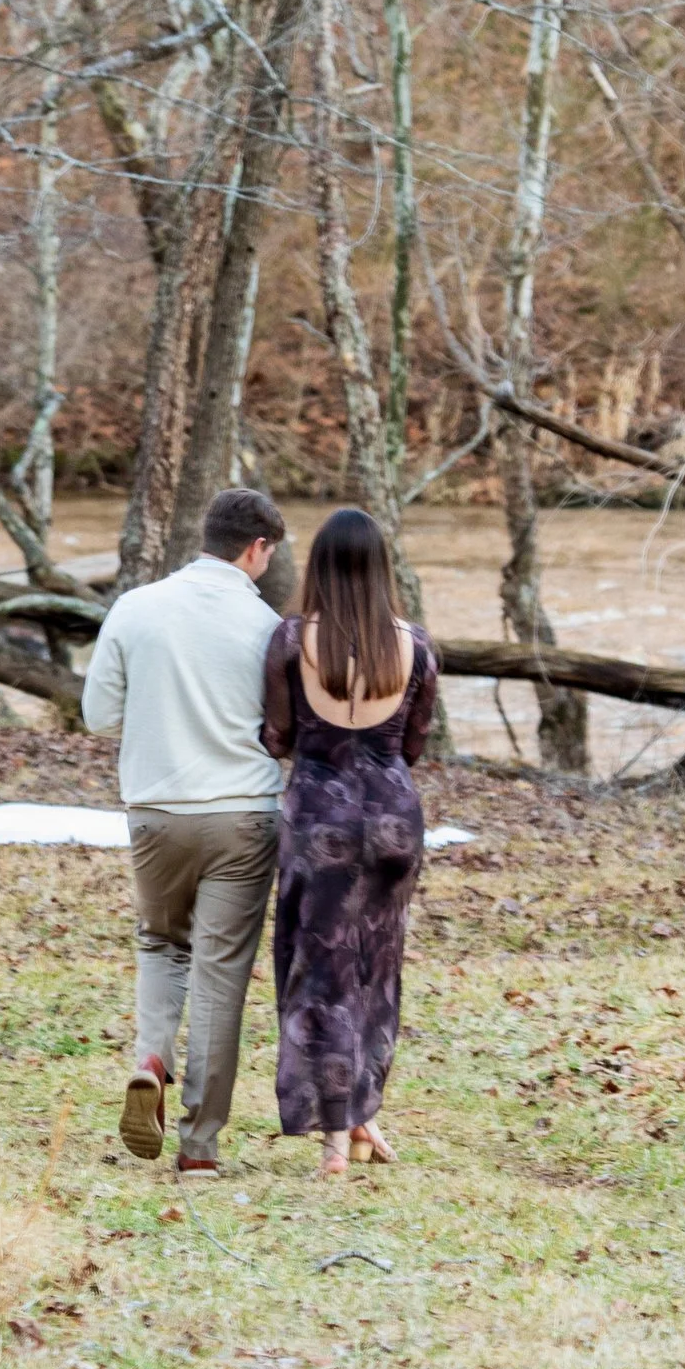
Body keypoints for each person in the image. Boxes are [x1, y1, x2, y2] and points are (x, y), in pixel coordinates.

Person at [81, 486, 288, 1177]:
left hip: (156, 811)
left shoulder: (136, 608)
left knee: (159, 940)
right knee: (221, 973)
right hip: (244, 814)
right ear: (256, 549)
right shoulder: (267, 628)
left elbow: (96, 714)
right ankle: (200, 1146)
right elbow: (284, 731)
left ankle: (151, 1056)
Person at [260, 504, 437, 1178]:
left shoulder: (290, 640)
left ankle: (335, 1135)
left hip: (318, 818)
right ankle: (363, 1111)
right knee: (376, 968)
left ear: (320, 568)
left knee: (318, 970)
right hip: (394, 817)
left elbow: (276, 737)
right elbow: (414, 742)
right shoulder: (415, 645)